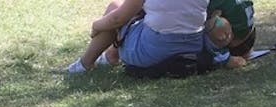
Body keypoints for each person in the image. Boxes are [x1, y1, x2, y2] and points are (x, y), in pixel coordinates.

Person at [66, 0, 209, 73]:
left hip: (152, 54)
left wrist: (95, 26)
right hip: (193, 47)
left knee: (115, 8)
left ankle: (85, 64)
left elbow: (117, 19)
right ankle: (111, 55)